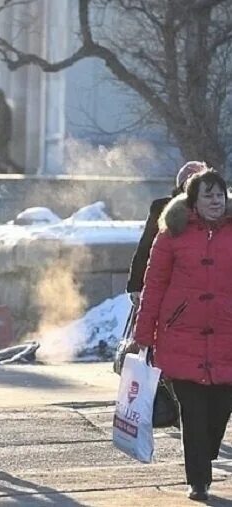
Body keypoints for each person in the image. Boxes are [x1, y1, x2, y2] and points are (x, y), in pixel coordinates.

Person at [133, 169, 232, 501]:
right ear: (194, 201)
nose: (216, 201)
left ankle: (206, 453)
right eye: (208, 195)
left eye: (220, 194)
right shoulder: (171, 234)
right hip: (181, 336)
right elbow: (154, 285)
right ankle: (198, 480)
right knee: (193, 412)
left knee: (221, 409)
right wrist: (144, 333)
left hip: (226, 336)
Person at [127, 161, 207, 307]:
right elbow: (146, 248)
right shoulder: (163, 210)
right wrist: (136, 285)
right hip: (170, 283)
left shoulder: (215, 211)